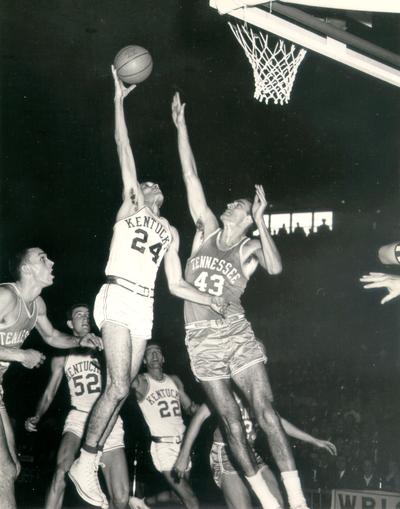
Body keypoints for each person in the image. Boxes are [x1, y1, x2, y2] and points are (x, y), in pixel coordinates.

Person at [68, 68, 227, 509]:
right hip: (118, 294)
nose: (150, 184)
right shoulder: (132, 204)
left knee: (121, 388)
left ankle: (90, 457)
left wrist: (209, 298)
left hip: (145, 306)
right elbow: (124, 146)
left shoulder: (171, 232)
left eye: (156, 184)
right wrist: (118, 100)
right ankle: (86, 462)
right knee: (118, 386)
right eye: (147, 182)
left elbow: (176, 284)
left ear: (163, 197)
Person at [172, 92, 309, 509]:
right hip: (200, 337)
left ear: (248, 218)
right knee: (230, 422)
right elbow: (191, 176)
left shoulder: (250, 246)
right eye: (234, 202)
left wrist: (263, 222)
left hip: (235, 329)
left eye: (240, 205)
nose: (231, 203)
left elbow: (276, 268)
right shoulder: (207, 228)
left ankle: (297, 500)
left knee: (265, 413)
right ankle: (266, 499)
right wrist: (181, 129)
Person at [0, 248, 102, 509]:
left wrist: (80, 340)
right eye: (43, 258)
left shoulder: (37, 305)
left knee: (13, 468)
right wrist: (19, 355)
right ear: (26, 269)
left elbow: (53, 337)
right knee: (4, 471)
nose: (52, 261)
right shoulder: (5, 296)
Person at [25, 304, 129, 509]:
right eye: (79, 315)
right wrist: (37, 415)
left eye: (88, 315)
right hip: (79, 419)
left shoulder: (105, 344)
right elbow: (50, 390)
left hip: (108, 421)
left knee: (121, 497)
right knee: (61, 472)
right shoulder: (63, 353)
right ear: (70, 323)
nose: (85, 318)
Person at [173, 396, 336, 509]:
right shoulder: (223, 392)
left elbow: (278, 423)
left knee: (276, 504)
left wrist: (314, 440)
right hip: (226, 454)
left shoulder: (255, 395)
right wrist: (184, 455)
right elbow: (198, 418)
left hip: (250, 454)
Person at [131, 342, 199, 509]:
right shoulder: (141, 382)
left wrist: (200, 407)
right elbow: (124, 378)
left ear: (163, 358)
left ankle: (142, 502)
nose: (154, 355)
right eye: (149, 353)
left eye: (157, 352)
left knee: (179, 495)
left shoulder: (174, 380)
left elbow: (189, 408)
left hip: (184, 445)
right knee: (190, 498)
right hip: (164, 446)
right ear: (144, 360)